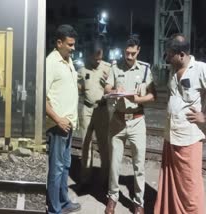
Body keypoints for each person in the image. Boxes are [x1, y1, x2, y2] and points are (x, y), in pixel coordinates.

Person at [104, 35, 156, 214]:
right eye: (127, 53)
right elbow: (107, 88)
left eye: (133, 53)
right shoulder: (115, 67)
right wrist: (113, 90)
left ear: (138, 50)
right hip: (117, 121)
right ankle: (112, 198)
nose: (129, 57)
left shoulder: (145, 70)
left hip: (137, 121)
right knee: (114, 164)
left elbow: (152, 95)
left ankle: (138, 202)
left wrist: (138, 98)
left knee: (139, 165)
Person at [154, 33, 205, 214]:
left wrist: (204, 117)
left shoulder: (200, 69)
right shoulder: (172, 70)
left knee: (189, 187)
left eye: (170, 54)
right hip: (171, 136)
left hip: (188, 139)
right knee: (172, 182)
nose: (167, 58)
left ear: (181, 54)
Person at [46, 24, 81, 214]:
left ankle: (63, 201)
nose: (73, 48)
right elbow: (41, 98)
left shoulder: (68, 60)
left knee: (65, 166)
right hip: (58, 126)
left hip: (69, 125)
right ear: (59, 43)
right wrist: (58, 119)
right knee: (56, 169)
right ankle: (54, 209)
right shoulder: (51, 63)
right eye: (70, 44)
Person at [77, 45, 111, 187]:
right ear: (89, 55)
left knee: (104, 145)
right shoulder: (82, 69)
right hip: (87, 109)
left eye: (100, 58)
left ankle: (105, 178)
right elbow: (79, 88)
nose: (98, 61)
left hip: (102, 110)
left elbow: (114, 88)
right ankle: (85, 178)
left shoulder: (108, 68)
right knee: (85, 145)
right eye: (95, 58)